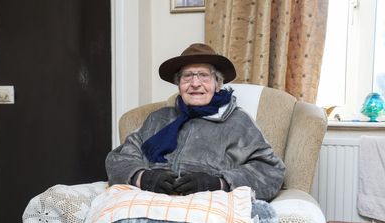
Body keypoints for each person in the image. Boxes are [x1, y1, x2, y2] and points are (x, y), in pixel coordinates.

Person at [106, 43, 285, 201]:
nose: (195, 83)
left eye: (203, 76)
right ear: (179, 84)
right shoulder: (158, 119)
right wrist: (143, 177)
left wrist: (218, 183)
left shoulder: (238, 122)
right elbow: (119, 159)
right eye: (187, 76)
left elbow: (271, 172)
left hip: (209, 208)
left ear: (218, 83)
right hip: (150, 202)